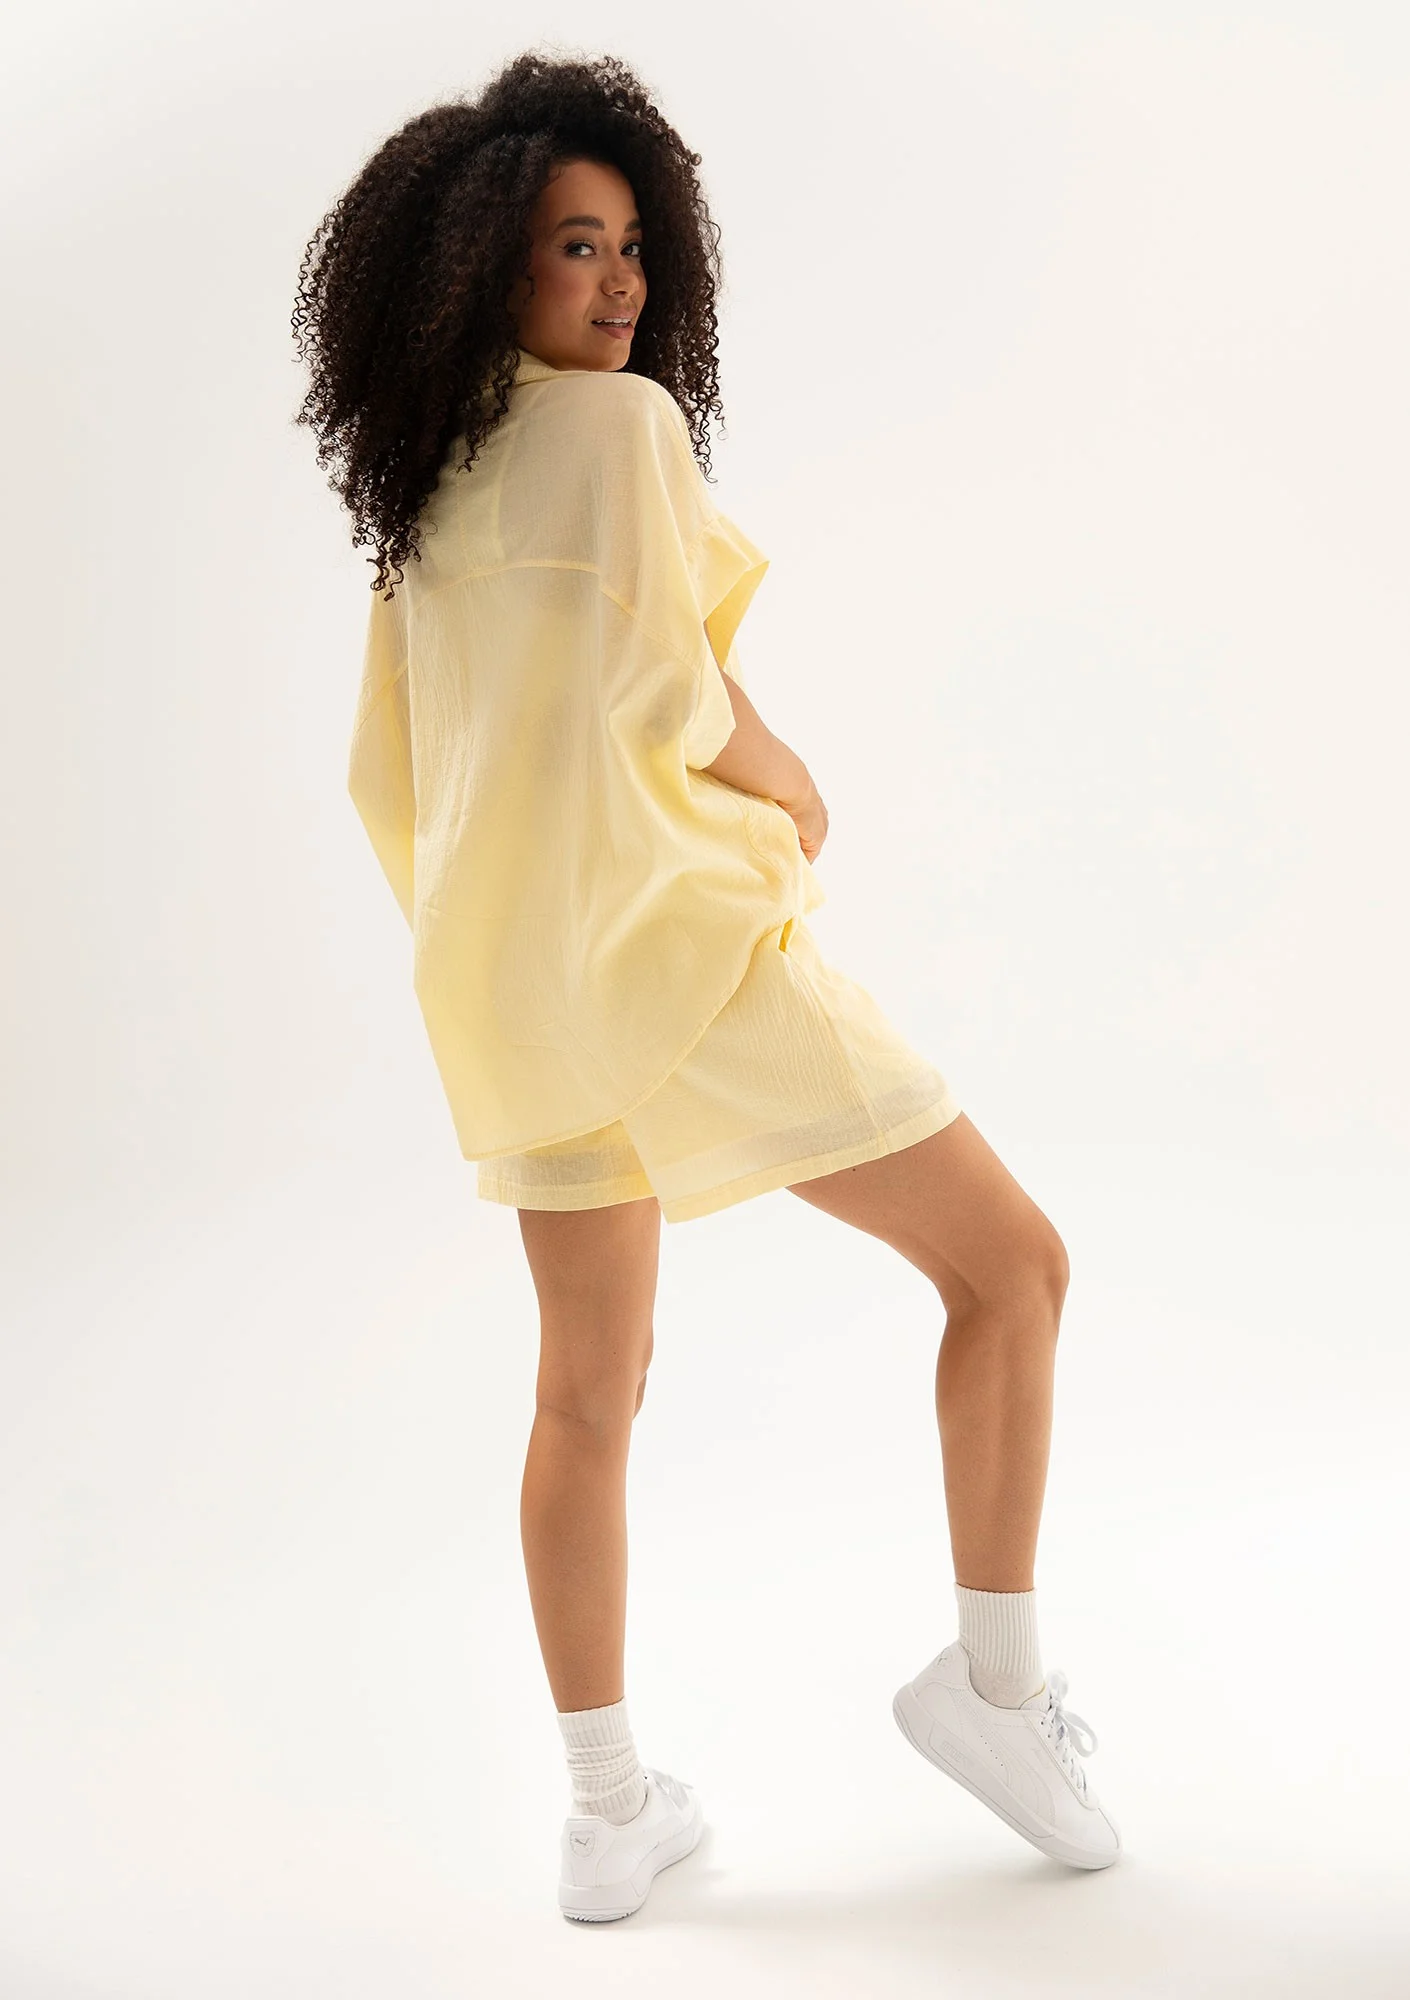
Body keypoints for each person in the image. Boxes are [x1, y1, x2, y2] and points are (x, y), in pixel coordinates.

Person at [292, 50, 1121, 1923]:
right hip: (684, 959)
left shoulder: (429, 493)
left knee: (586, 1396)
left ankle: (606, 1813)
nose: (621, 283)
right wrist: (789, 776)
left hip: (515, 997)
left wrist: (504, 932)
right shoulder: (623, 430)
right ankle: (995, 1694)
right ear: (487, 264)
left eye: (629, 245)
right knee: (1012, 1269)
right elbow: (668, 686)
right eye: (575, 247)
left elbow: (392, 775)